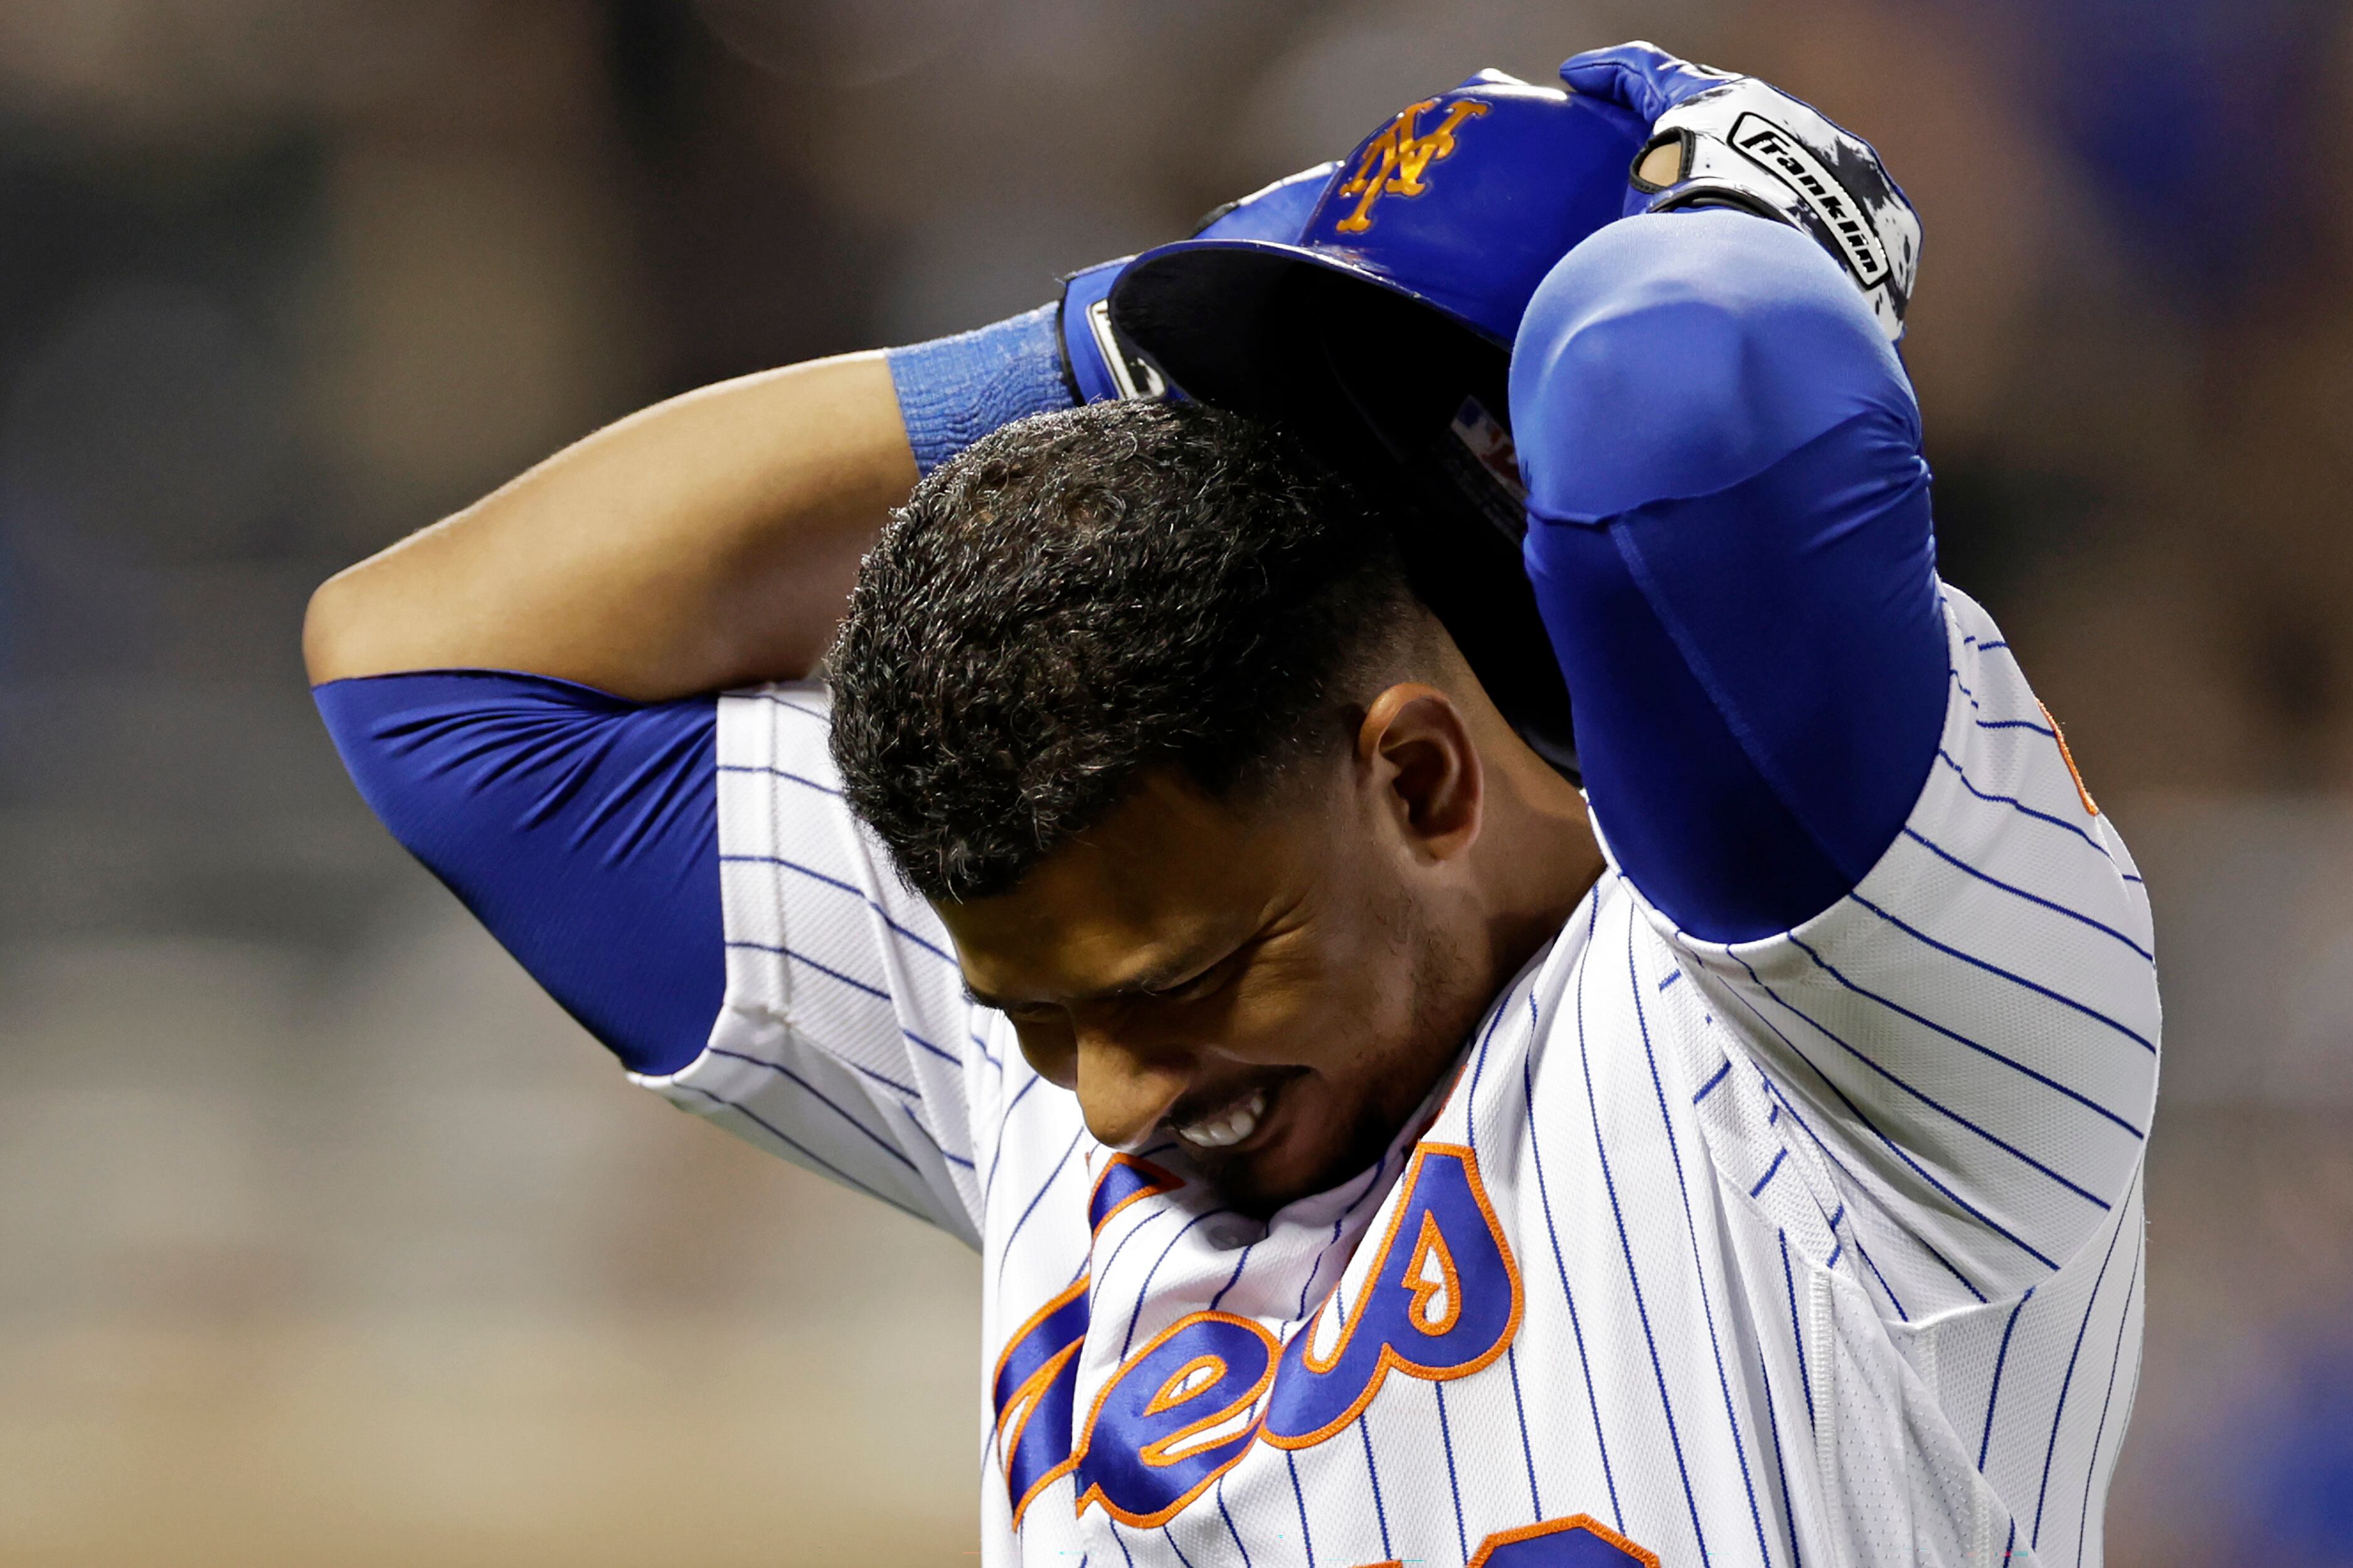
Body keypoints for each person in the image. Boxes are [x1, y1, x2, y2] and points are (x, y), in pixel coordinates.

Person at [304, 41, 2158, 1568]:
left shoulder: (1844, 1020)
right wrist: (1112, 370)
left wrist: (1747, 222)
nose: (1107, 1098)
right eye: (1042, 1024)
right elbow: (430, 668)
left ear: (1417, 775)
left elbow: (1688, 399)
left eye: (1179, 985)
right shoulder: (1112, 932)